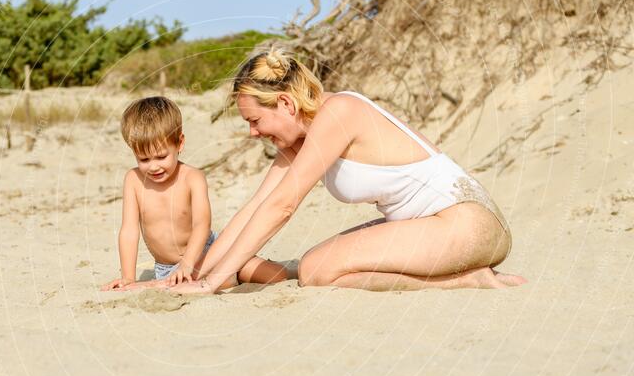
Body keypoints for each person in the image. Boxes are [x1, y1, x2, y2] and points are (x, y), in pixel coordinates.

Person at [171, 48, 526, 294]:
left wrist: (212, 283)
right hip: (433, 226)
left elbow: (283, 207)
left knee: (316, 271)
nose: (253, 132)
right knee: (314, 265)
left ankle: (464, 281)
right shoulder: (300, 139)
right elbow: (258, 206)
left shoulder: (339, 112)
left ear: (284, 103)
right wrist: (191, 275)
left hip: (467, 225)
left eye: (255, 120)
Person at [101, 96, 287, 291]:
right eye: (144, 159)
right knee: (201, 282)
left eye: (161, 156)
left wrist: (188, 265)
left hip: (208, 253)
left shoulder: (192, 178)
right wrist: (128, 277)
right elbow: (129, 231)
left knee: (275, 274)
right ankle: (228, 276)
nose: (154, 166)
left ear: (179, 143)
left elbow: (201, 224)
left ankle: (246, 270)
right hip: (169, 269)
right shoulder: (133, 180)